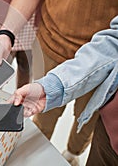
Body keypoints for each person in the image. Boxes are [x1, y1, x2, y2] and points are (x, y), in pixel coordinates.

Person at [0, 0, 118, 164]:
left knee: (85, 122)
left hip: (105, 71)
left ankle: (73, 153)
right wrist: (6, 34)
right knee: (42, 119)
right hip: (52, 42)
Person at [10, 15, 118, 165]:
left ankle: (73, 154)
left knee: (82, 129)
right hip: (109, 135)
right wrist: (52, 86)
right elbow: (113, 43)